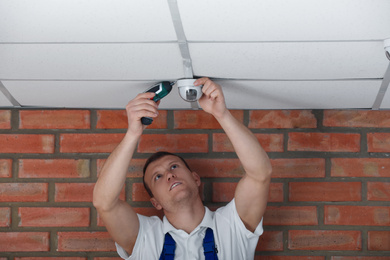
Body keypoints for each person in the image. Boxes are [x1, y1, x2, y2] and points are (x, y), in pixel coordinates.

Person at [93, 78, 272, 259]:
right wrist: (133, 133)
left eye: (174, 166)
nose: (169, 175)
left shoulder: (232, 225)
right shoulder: (144, 237)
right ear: (155, 202)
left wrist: (222, 114)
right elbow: (104, 202)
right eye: (158, 177)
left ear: (195, 178)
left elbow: (260, 174)